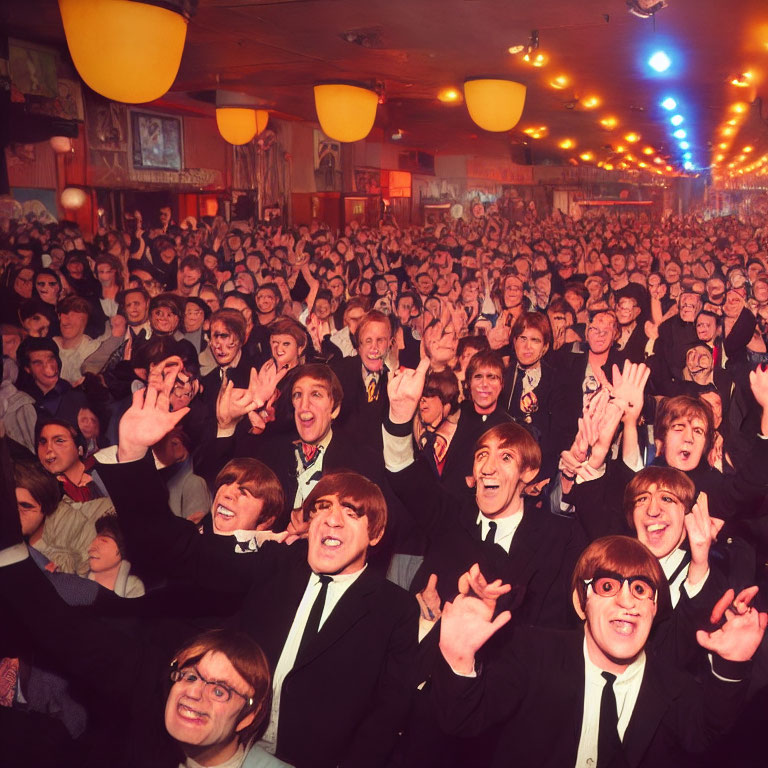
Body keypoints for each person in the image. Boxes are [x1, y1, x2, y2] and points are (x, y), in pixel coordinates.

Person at [88, 366, 418, 768]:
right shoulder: (275, 563)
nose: (331, 520)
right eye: (321, 508)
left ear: (376, 533)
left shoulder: (395, 610)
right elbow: (177, 551)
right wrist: (134, 455)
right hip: (226, 750)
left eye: (350, 512)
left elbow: (384, 720)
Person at [433, 536, 766, 768]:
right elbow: (462, 720)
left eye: (640, 589)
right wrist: (460, 659)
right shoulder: (531, 653)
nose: (626, 601)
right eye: (607, 586)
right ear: (582, 603)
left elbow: (706, 735)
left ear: (654, 608)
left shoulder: (674, 687)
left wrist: (731, 665)